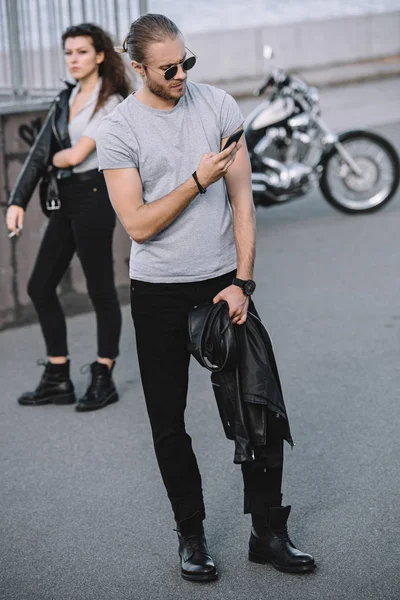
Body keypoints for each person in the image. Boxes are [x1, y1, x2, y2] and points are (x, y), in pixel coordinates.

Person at [96, 13, 315, 581]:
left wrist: (242, 282)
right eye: (168, 68)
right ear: (137, 68)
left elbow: (242, 201)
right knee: (169, 422)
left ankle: (268, 534)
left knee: (259, 408)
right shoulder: (119, 130)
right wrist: (195, 181)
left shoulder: (217, 106)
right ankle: (191, 538)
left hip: (222, 284)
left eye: (187, 61)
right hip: (158, 294)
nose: (181, 74)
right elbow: (139, 226)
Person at [6, 23, 130, 412]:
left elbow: (73, 156)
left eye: (81, 51)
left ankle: (103, 373)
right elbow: (40, 152)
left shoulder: (110, 102)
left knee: (99, 289)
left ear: (99, 55)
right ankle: (58, 376)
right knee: (40, 286)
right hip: (67, 199)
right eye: (68, 52)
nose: (73, 59)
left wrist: (58, 158)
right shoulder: (67, 98)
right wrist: (17, 201)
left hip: (94, 194)